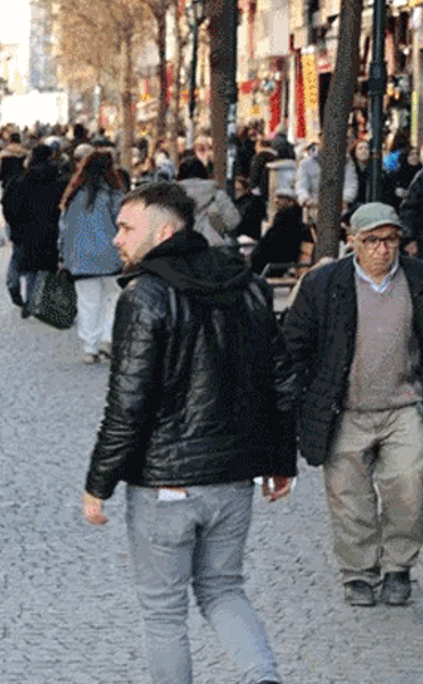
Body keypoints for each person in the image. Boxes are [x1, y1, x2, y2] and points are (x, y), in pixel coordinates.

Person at [82, 181, 293, 684]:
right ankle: (261, 677)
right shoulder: (247, 286)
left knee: (163, 611)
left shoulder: (147, 295)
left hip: (165, 483)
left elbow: (128, 403)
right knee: (223, 589)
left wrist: (98, 484)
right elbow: (282, 379)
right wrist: (281, 460)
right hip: (231, 478)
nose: (117, 239)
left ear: (166, 231)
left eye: (127, 228)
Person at [282, 202, 423, 608]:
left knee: (409, 489)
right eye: (373, 241)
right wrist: (301, 399)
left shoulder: (416, 279)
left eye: (391, 239)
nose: (383, 249)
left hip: (403, 405)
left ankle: (398, 567)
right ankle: (359, 573)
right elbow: (294, 345)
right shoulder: (324, 284)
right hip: (344, 408)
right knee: (349, 497)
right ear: (353, 242)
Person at [59, 149, 125, 363]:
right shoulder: (114, 194)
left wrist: (62, 255)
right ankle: (107, 338)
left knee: (87, 303)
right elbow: (122, 224)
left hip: (80, 258)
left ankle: (90, 348)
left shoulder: (74, 195)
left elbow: (64, 227)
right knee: (113, 299)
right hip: (110, 255)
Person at [3, 144, 66, 310]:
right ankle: (44, 300)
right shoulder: (58, 179)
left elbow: (10, 205)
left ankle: (31, 301)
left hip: (27, 230)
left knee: (31, 267)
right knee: (47, 266)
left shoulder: (21, 179)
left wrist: (14, 225)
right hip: (50, 228)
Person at [174, 156, 241, 247]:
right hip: (212, 246)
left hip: (181, 246)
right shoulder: (217, 195)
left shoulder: (173, 196)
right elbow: (233, 220)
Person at [249, 190, 312, 275]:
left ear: (290, 202)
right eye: (276, 197)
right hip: (269, 265)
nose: (276, 201)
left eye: (281, 198)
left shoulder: (288, 220)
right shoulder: (286, 217)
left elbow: (274, 246)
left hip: (272, 266)